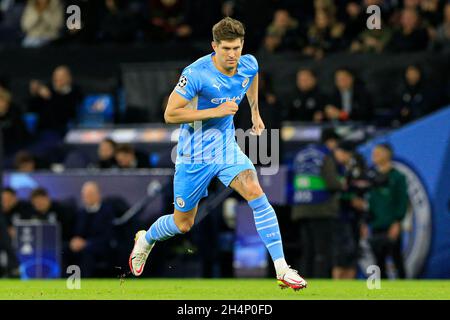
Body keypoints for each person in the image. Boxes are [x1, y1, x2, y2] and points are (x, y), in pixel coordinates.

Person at [129, 17, 307, 290]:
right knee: (183, 224)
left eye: (237, 48)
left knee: (255, 192)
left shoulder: (249, 64)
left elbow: (252, 77)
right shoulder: (197, 73)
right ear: (214, 46)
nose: (233, 54)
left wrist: (256, 114)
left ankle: (282, 268)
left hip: (225, 148)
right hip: (193, 156)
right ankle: (146, 239)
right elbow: (170, 113)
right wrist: (217, 110)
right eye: (226, 49)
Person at [290, 128, 344, 278]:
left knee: (307, 250)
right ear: (331, 141)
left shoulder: (300, 155)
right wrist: (343, 182)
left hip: (301, 208)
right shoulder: (325, 156)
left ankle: (303, 281)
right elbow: (332, 183)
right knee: (322, 250)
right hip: (321, 209)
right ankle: (320, 281)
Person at [352, 144, 408, 279]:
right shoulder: (371, 177)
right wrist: (365, 222)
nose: (373, 156)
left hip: (391, 224)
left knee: (397, 260)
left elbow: (402, 201)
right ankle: (382, 295)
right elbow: (368, 202)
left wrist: (397, 222)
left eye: (377, 153)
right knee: (378, 263)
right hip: (376, 225)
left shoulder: (398, 177)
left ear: (387, 155)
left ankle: (405, 294)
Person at [332, 141, 369, 279]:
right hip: (340, 214)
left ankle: (348, 285)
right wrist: (351, 198)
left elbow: (364, 187)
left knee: (353, 251)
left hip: (355, 216)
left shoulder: (358, 165)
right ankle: (337, 284)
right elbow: (336, 190)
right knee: (341, 251)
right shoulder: (335, 166)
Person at [70, 182, 115, 277]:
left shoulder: (107, 212)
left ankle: (86, 282)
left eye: (90, 195)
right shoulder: (80, 213)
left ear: (98, 195)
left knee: (87, 253)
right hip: (82, 246)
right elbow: (76, 232)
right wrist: (75, 241)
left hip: (100, 247)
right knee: (65, 249)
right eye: (85, 195)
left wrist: (86, 244)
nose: (87, 197)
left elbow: (107, 236)